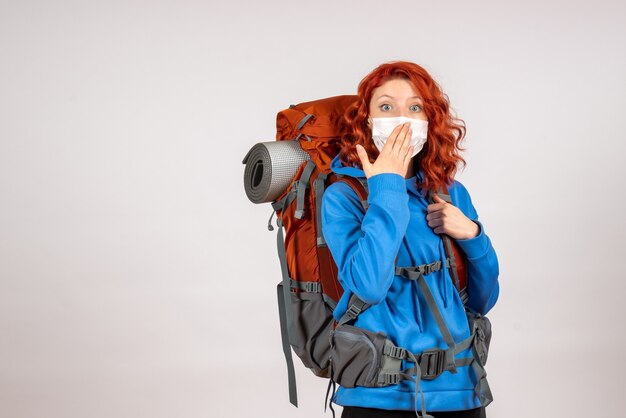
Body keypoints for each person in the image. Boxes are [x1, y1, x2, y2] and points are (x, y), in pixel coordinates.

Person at [320, 61, 500, 418]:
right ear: (368, 121)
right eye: (386, 107)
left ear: (430, 119)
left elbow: (483, 299)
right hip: (377, 396)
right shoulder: (343, 196)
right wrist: (386, 186)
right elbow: (368, 287)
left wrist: (473, 236)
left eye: (414, 107)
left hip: (461, 391)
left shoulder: (449, 193)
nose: (402, 118)